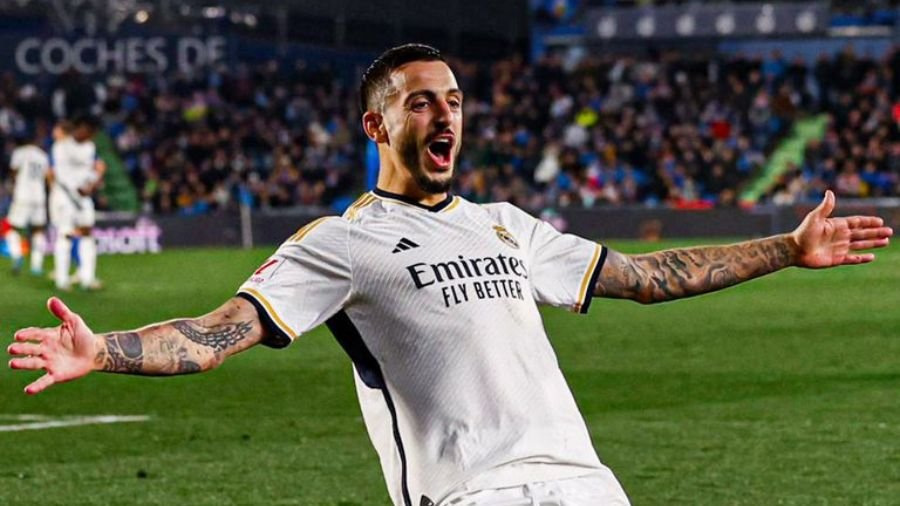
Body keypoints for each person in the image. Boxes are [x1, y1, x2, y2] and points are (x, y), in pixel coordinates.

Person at [7, 45, 893, 506]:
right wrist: (106, 349)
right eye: (420, 100)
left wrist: (786, 247)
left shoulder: (505, 224)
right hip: (472, 493)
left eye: (455, 99)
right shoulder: (339, 243)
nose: (445, 114)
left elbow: (647, 274)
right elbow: (220, 333)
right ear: (376, 124)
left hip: (588, 482)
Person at [48, 115, 105, 291]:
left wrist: (92, 184)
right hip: (65, 196)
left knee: (87, 234)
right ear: (80, 128)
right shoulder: (62, 146)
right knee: (65, 234)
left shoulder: (90, 147)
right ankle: (62, 280)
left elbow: (94, 170)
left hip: (83, 196)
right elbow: (58, 173)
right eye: (90, 131)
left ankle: (87, 279)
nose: (91, 135)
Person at [4, 132, 50, 275]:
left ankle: (17, 255)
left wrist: (11, 185)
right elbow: (47, 176)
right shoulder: (43, 155)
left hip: (23, 195)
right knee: (38, 230)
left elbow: (13, 172)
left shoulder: (20, 152)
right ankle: (37, 266)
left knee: (9, 228)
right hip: (39, 197)